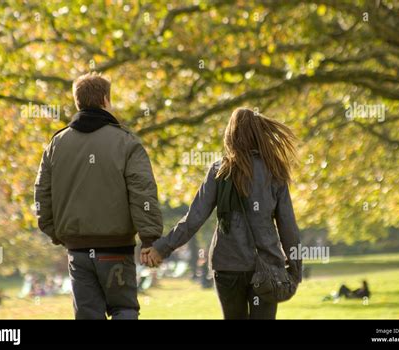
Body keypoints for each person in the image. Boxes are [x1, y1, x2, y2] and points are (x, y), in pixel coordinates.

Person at [142, 107, 302, 319]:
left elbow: (194, 218)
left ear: (231, 135)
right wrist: (295, 269)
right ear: (259, 133)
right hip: (267, 266)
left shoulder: (219, 171)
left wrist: (162, 248)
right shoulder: (275, 172)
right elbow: (288, 227)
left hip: (227, 265)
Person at [34, 72, 163, 319]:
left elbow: (42, 196)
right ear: (105, 99)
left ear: (77, 102)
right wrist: (149, 239)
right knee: (123, 308)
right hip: (116, 248)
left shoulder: (56, 145)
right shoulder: (126, 143)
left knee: (87, 315)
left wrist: (56, 233)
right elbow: (143, 194)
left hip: (78, 250)